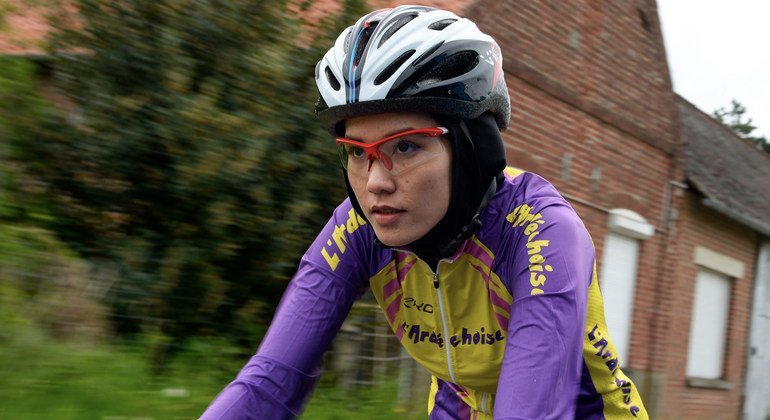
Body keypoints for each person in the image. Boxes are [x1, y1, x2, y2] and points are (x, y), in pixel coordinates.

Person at [201, 5, 648, 419]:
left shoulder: (540, 230)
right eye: (357, 154)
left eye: (407, 146)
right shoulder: (359, 227)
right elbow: (270, 383)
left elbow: (532, 407)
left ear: (473, 149)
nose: (375, 181)